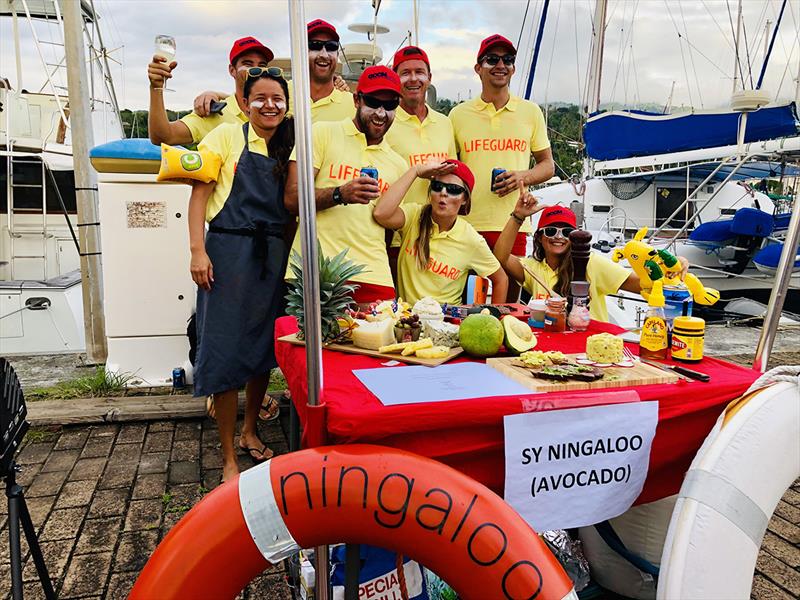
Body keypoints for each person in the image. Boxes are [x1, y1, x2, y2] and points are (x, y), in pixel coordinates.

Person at [188, 67, 294, 482]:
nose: (270, 105)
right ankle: (229, 455)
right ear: (246, 102)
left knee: (260, 349)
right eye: (261, 98)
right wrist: (198, 251)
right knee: (226, 349)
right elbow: (199, 195)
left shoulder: (288, 143)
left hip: (271, 254)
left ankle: (251, 431)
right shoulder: (226, 136)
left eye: (278, 99)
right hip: (228, 249)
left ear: (286, 106)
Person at [284, 65, 407, 304]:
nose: (381, 113)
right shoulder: (321, 133)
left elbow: (391, 232)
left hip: (375, 276)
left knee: (378, 341)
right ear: (356, 100)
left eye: (390, 105)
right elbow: (291, 198)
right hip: (317, 272)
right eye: (373, 102)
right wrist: (340, 194)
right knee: (310, 342)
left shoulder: (398, 163)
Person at [449, 33, 555, 301]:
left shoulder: (530, 112)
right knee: (469, 306)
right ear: (478, 68)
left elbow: (547, 166)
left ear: (513, 68)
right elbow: (451, 171)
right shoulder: (458, 115)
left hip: (513, 223)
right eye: (492, 59)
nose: (501, 65)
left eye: (507, 60)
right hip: (467, 224)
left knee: (508, 308)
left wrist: (522, 176)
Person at [494, 200, 689, 322]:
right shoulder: (533, 268)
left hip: (591, 347)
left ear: (576, 237)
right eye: (551, 231)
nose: (558, 237)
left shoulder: (592, 263)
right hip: (552, 348)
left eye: (567, 232)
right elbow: (500, 257)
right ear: (539, 237)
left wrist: (670, 268)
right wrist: (518, 216)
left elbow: (643, 285)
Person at [373, 159, 508, 305]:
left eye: (453, 190)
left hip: (447, 323)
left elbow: (501, 279)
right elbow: (381, 214)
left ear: (464, 199)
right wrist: (415, 171)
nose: (443, 193)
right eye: (437, 187)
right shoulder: (414, 215)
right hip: (407, 320)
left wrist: (494, 318)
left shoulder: (472, 239)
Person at [193, 20, 354, 124]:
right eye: (315, 45)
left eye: (331, 46)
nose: (324, 54)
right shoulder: (282, 92)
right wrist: (212, 94)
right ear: (300, 52)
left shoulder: (352, 105)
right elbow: (246, 99)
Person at [147, 36, 273, 146]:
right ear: (232, 70)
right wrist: (155, 88)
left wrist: (216, 94)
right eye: (248, 64)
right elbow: (163, 136)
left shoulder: (280, 109)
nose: (256, 70)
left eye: (262, 65)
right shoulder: (216, 113)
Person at [385, 46, 457, 206]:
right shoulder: (384, 122)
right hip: (398, 223)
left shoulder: (444, 123)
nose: (413, 79)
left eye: (419, 72)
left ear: (429, 78)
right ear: (395, 78)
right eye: (405, 73)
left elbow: (453, 174)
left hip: (438, 223)